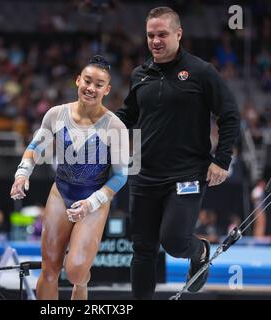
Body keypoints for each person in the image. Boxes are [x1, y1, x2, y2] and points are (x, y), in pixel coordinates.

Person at [115, 7, 240, 299]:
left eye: (162, 34)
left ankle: (201, 250)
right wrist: (94, 129)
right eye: (150, 35)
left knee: (173, 241)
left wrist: (222, 160)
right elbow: (126, 116)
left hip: (187, 174)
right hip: (144, 175)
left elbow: (230, 115)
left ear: (178, 34)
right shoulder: (140, 74)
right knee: (142, 250)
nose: (155, 41)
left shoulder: (201, 71)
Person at [10, 55, 129, 300]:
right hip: (61, 192)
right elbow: (35, 147)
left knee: (75, 271)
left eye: (98, 84)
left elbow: (120, 176)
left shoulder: (116, 127)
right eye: (87, 80)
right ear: (77, 81)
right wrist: (22, 174)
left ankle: (82, 283)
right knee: (50, 269)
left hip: (94, 199)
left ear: (107, 89)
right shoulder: (56, 114)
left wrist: (91, 203)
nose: (91, 88)